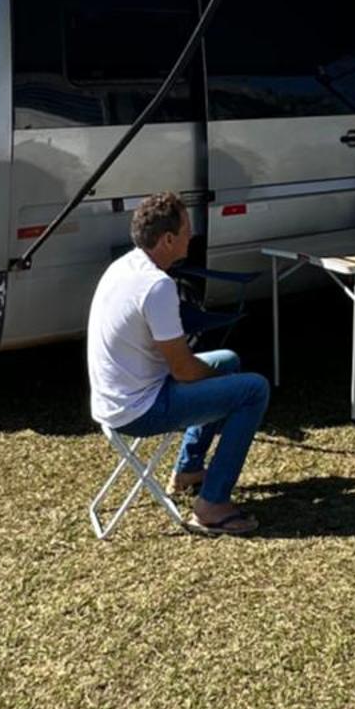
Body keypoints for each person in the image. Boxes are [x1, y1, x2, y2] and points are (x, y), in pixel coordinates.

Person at [87, 190, 269, 537]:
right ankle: (212, 505)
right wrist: (215, 380)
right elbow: (184, 371)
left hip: (114, 398)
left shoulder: (124, 266)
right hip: (139, 409)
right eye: (187, 229)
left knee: (229, 360)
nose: (192, 236)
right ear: (168, 239)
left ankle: (188, 470)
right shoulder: (157, 287)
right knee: (253, 390)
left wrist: (217, 376)